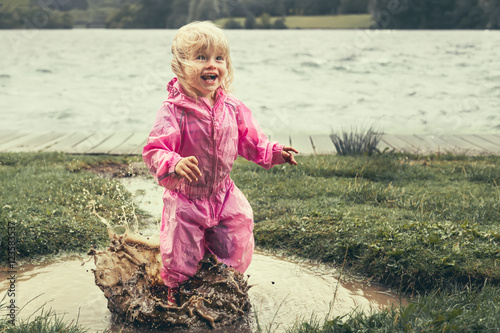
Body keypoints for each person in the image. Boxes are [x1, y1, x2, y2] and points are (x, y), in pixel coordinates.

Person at [142, 21, 298, 306]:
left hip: (223, 193)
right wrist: (174, 163)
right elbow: (155, 149)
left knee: (239, 231)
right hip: (186, 198)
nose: (211, 64)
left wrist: (274, 152)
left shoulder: (231, 107)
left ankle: (223, 284)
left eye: (218, 58)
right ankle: (176, 295)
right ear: (181, 66)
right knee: (180, 254)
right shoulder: (173, 110)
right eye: (201, 57)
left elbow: (251, 140)